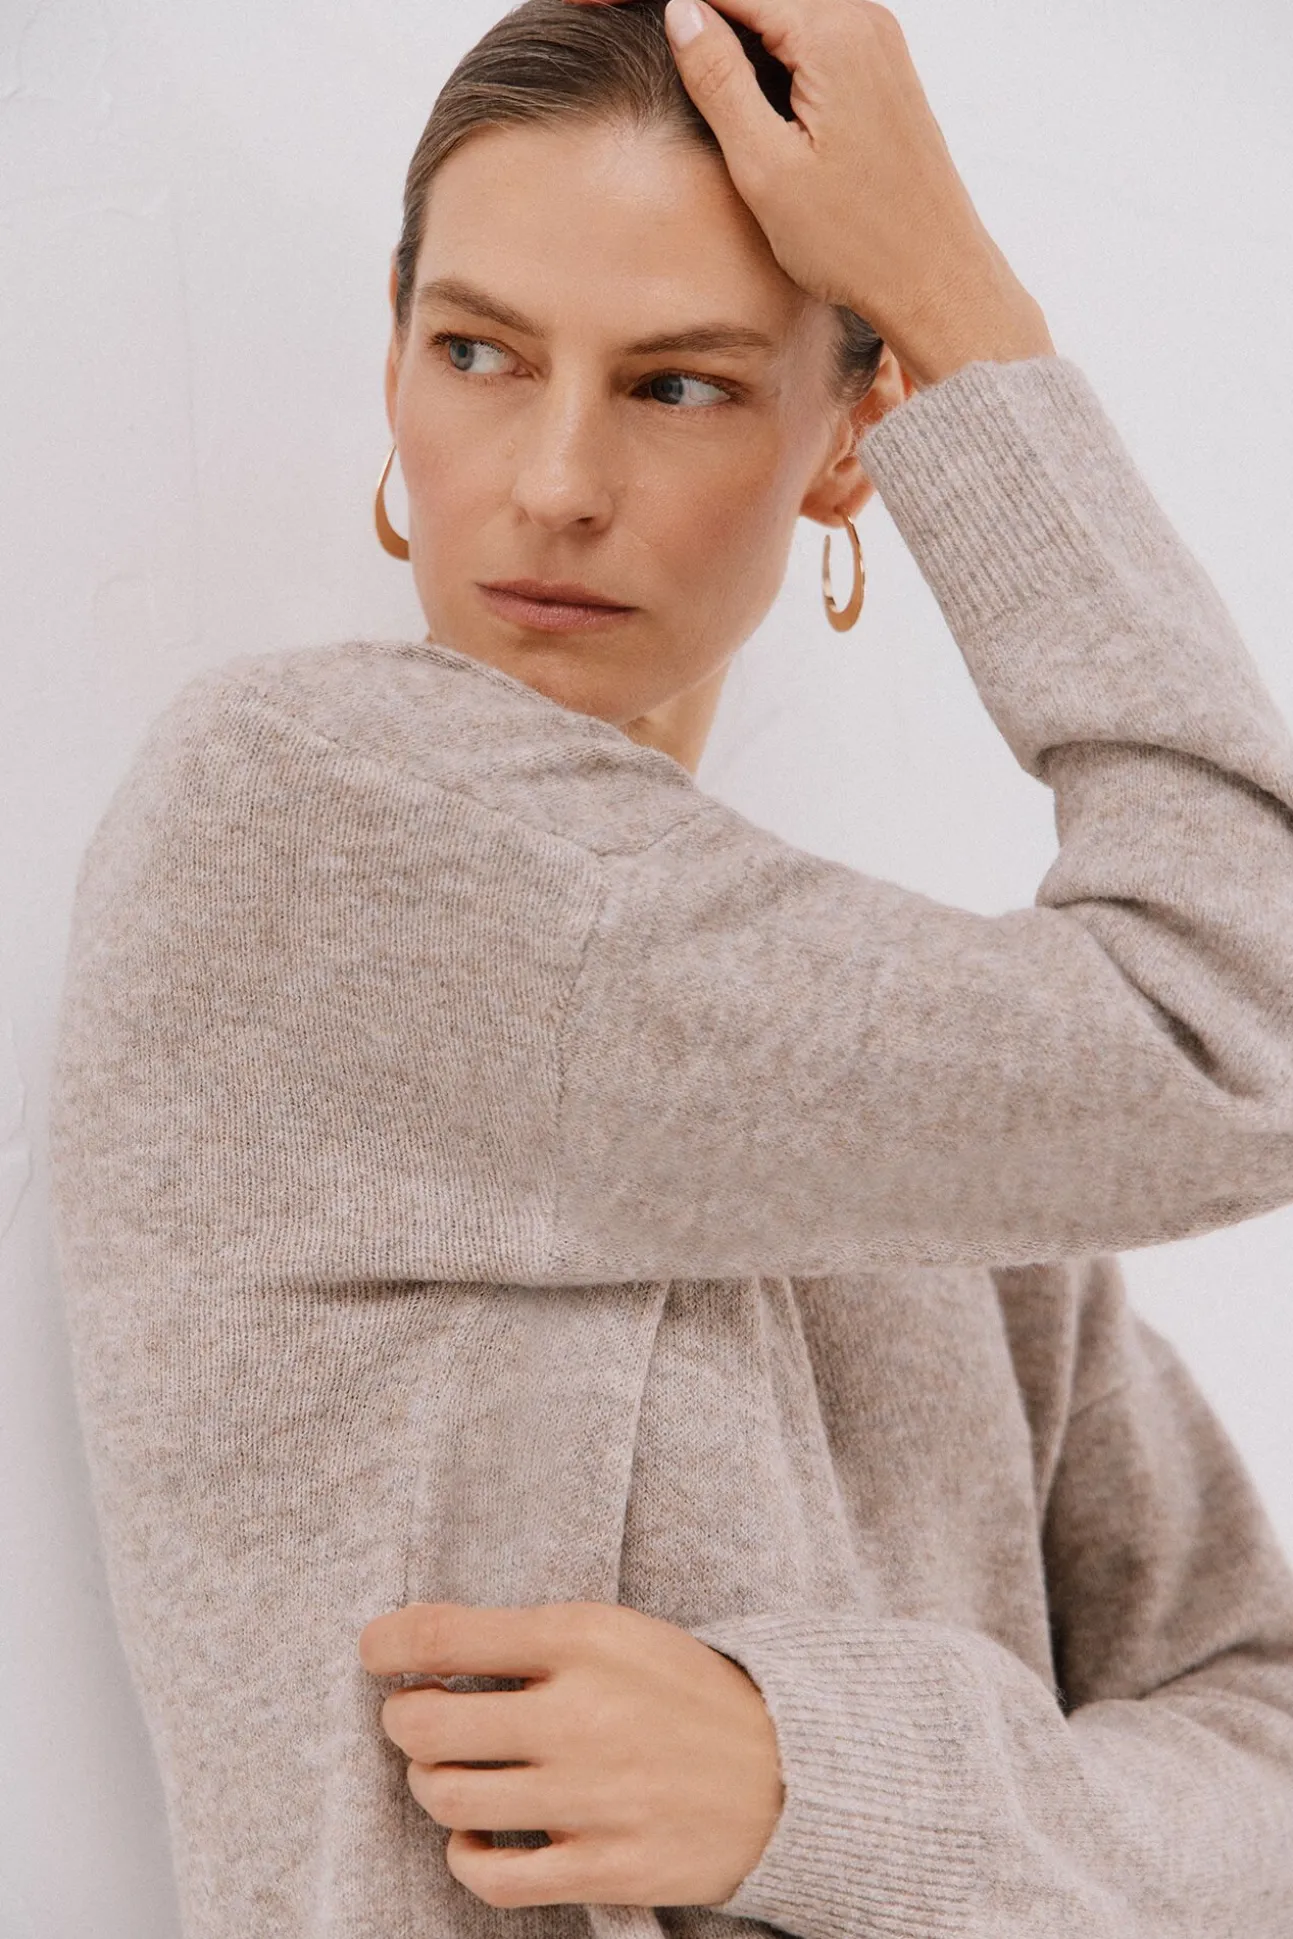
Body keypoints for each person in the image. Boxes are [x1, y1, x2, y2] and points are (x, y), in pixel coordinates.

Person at [47, 3, 1293, 1936]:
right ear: (392, 367)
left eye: (681, 383)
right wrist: (963, 303)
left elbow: (1264, 1737)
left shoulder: (908, 1104)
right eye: (478, 351)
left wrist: (822, 1774)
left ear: (855, 439)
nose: (554, 477)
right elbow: (1245, 1023)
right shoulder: (294, 824)